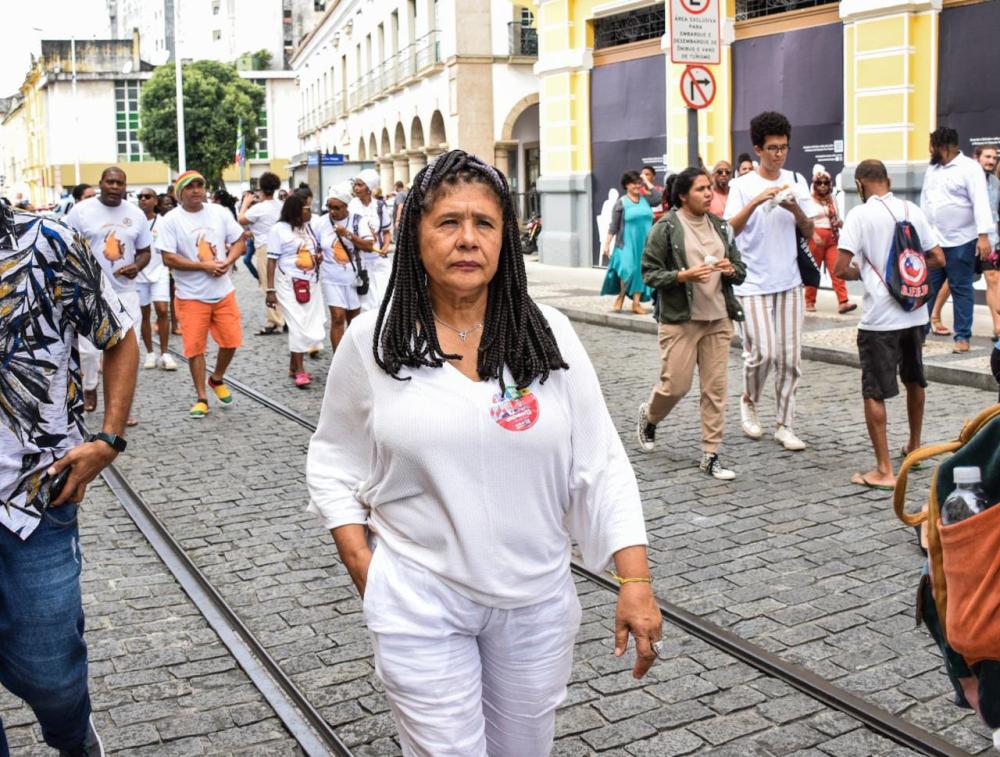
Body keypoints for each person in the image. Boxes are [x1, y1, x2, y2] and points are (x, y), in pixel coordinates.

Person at [306, 150, 661, 756]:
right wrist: (365, 565)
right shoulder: (374, 341)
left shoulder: (547, 334)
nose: (467, 238)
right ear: (415, 236)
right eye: (448, 221)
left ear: (505, 239)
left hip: (536, 604)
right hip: (420, 599)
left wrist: (635, 579)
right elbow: (334, 461)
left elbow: (600, 465)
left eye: (485, 223)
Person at [0, 202, 138, 756]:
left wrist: (109, 440)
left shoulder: (49, 242)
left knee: (52, 674)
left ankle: (72, 738)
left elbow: (119, 335)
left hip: (35, 498)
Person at [833, 160, 945, 490]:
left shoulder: (859, 215)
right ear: (889, 180)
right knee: (915, 379)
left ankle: (884, 470)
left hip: (880, 318)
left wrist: (864, 273)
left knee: (875, 390)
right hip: (915, 312)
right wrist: (906, 269)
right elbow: (938, 258)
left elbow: (840, 267)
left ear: (860, 184)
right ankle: (914, 446)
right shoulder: (912, 210)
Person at [637, 167, 747, 480]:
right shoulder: (666, 227)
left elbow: (740, 270)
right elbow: (649, 273)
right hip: (680, 319)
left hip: (718, 318)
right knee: (676, 385)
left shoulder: (720, 226)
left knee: (715, 390)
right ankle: (650, 416)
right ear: (683, 196)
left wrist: (730, 269)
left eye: (709, 187)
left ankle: (711, 454)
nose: (709, 193)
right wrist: (682, 276)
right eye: (701, 189)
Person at [724, 111, 818, 451]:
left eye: (784, 147)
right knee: (762, 353)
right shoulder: (740, 186)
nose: (779, 154)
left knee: (790, 358)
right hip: (751, 283)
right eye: (773, 148)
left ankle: (784, 424)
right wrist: (756, 202)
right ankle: (749, 400)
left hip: (789, 281)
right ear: (758, 149)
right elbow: (728, 231)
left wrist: (795, 209)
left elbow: (810, 231)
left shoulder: (796, 180)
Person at [65, 166, 151, 427]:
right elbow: (66, 247)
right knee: (90, 353)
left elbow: (145, 251)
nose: (114, 186)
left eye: (119, 183)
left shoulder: (136, 214)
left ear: (125, 186)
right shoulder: (81, 212)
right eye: (110, 182)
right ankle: (90, 386)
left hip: (126, 292)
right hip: (90, 293)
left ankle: (120, 410)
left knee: (127, 353)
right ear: (101, 183)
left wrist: (136, 266)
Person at [157, 170, 245, 419]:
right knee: (195, 349)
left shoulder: (219, 212)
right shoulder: (171, 220)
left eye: (199, 185)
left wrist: (228, 261)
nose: (196, 190)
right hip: (190, 296)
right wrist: (203, 266)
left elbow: (240, 241)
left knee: (231, 341)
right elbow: (168, 258)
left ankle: (216, 378)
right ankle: (201, 398)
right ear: (179, 193)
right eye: (190, 187)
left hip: (223, 291)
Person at [920, 127, 994, 353]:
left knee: (960, 288)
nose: (930, 151)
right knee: (927, 288)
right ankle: (919, 334)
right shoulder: (932, 169)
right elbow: (925, 200)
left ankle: (962, 337)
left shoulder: (969, 168)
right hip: (934, 241)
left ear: (943, 147)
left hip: (961, 240)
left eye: (932, 146)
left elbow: (980, 202)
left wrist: (983, 236)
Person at [264, 195, 325, 387]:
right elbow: (271, 261)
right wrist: (270, 290)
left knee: (307, 324)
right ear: (296, 211)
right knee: (298, 325)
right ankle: (299, 370)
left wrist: (317, 258)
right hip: (288, 284)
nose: (310, 212)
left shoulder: (308, 228)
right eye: (306, 209)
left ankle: (292, 366)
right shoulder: (278, 230)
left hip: (311, 284)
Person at [318, 182, 372, 351]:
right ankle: (337, 360)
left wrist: (347, 234)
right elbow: (315, 245)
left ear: (346, 206)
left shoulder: (357, 221)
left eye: (337, 207)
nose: (332, 211)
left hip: (353, 279)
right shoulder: (321, 223)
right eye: (329, 207)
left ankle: (351, 355)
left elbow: (369, 246)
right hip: (330, 278)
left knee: (353, 322)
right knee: (337, 318)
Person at [601, 170, 657, 314]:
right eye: (634, 183)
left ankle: (636, 304)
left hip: (644, 242)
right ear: (626, 185)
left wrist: (646, 181)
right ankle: (621, 295)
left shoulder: (646, 199)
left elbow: (658, 198)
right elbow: (614, 225)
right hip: (626, 243)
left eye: (639, 183)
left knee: (640, 271)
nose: (637, 186)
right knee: (628, 270)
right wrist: (607, 244)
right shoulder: (621, 203)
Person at [135, 186, 178, 371]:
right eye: (140, 197)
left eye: (147, 196)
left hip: (159, 270)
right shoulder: (134, 222)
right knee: (144, 313)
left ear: (155, 201)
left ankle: (165, 353)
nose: (143, 199)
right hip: (139, 273)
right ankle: (150, 353)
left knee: (162, 310)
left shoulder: (163, 222)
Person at [805, 166, 855, 315]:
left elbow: (837, 216)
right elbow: (806, 221)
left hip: (832, 237)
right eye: (819, 183)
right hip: (816, 237)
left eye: (826, 183)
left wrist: (839, 223)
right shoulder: (809, 200)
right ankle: (809, 301)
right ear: (814, 184)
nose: (822, 186)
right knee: (814, 270)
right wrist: (813, 235)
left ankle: (843, 302)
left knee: (836, 269)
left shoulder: (832, 199)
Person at [239, 171, 286, 335]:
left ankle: (275, 321)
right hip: (282, 247)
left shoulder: (258, 208)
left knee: (268, 284)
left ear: (261, 188)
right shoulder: (281, 205)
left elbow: (241, 219)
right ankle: (284, 318)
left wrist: (245, 203)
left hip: (264, 247)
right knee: (281, 284)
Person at [349, 169, 393, 311]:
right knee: (367, 302)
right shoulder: (351, 206)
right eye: (355, 185)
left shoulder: (379, 206)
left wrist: (385, 247)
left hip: (379, 258)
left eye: (360, 185)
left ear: (368, 187)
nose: (356, 188)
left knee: (385, 296)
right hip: (360, 260)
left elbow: (386, 231)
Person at [973, 144, 1000, 342]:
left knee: (993, 277)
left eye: (994, 157)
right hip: (967, 239)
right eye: (987, 157)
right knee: (951, 282)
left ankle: (998, 327)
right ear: (977, 157)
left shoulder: (996, 183)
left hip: (990, 240)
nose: (991, 161)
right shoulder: (968, 179)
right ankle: (935, 315)